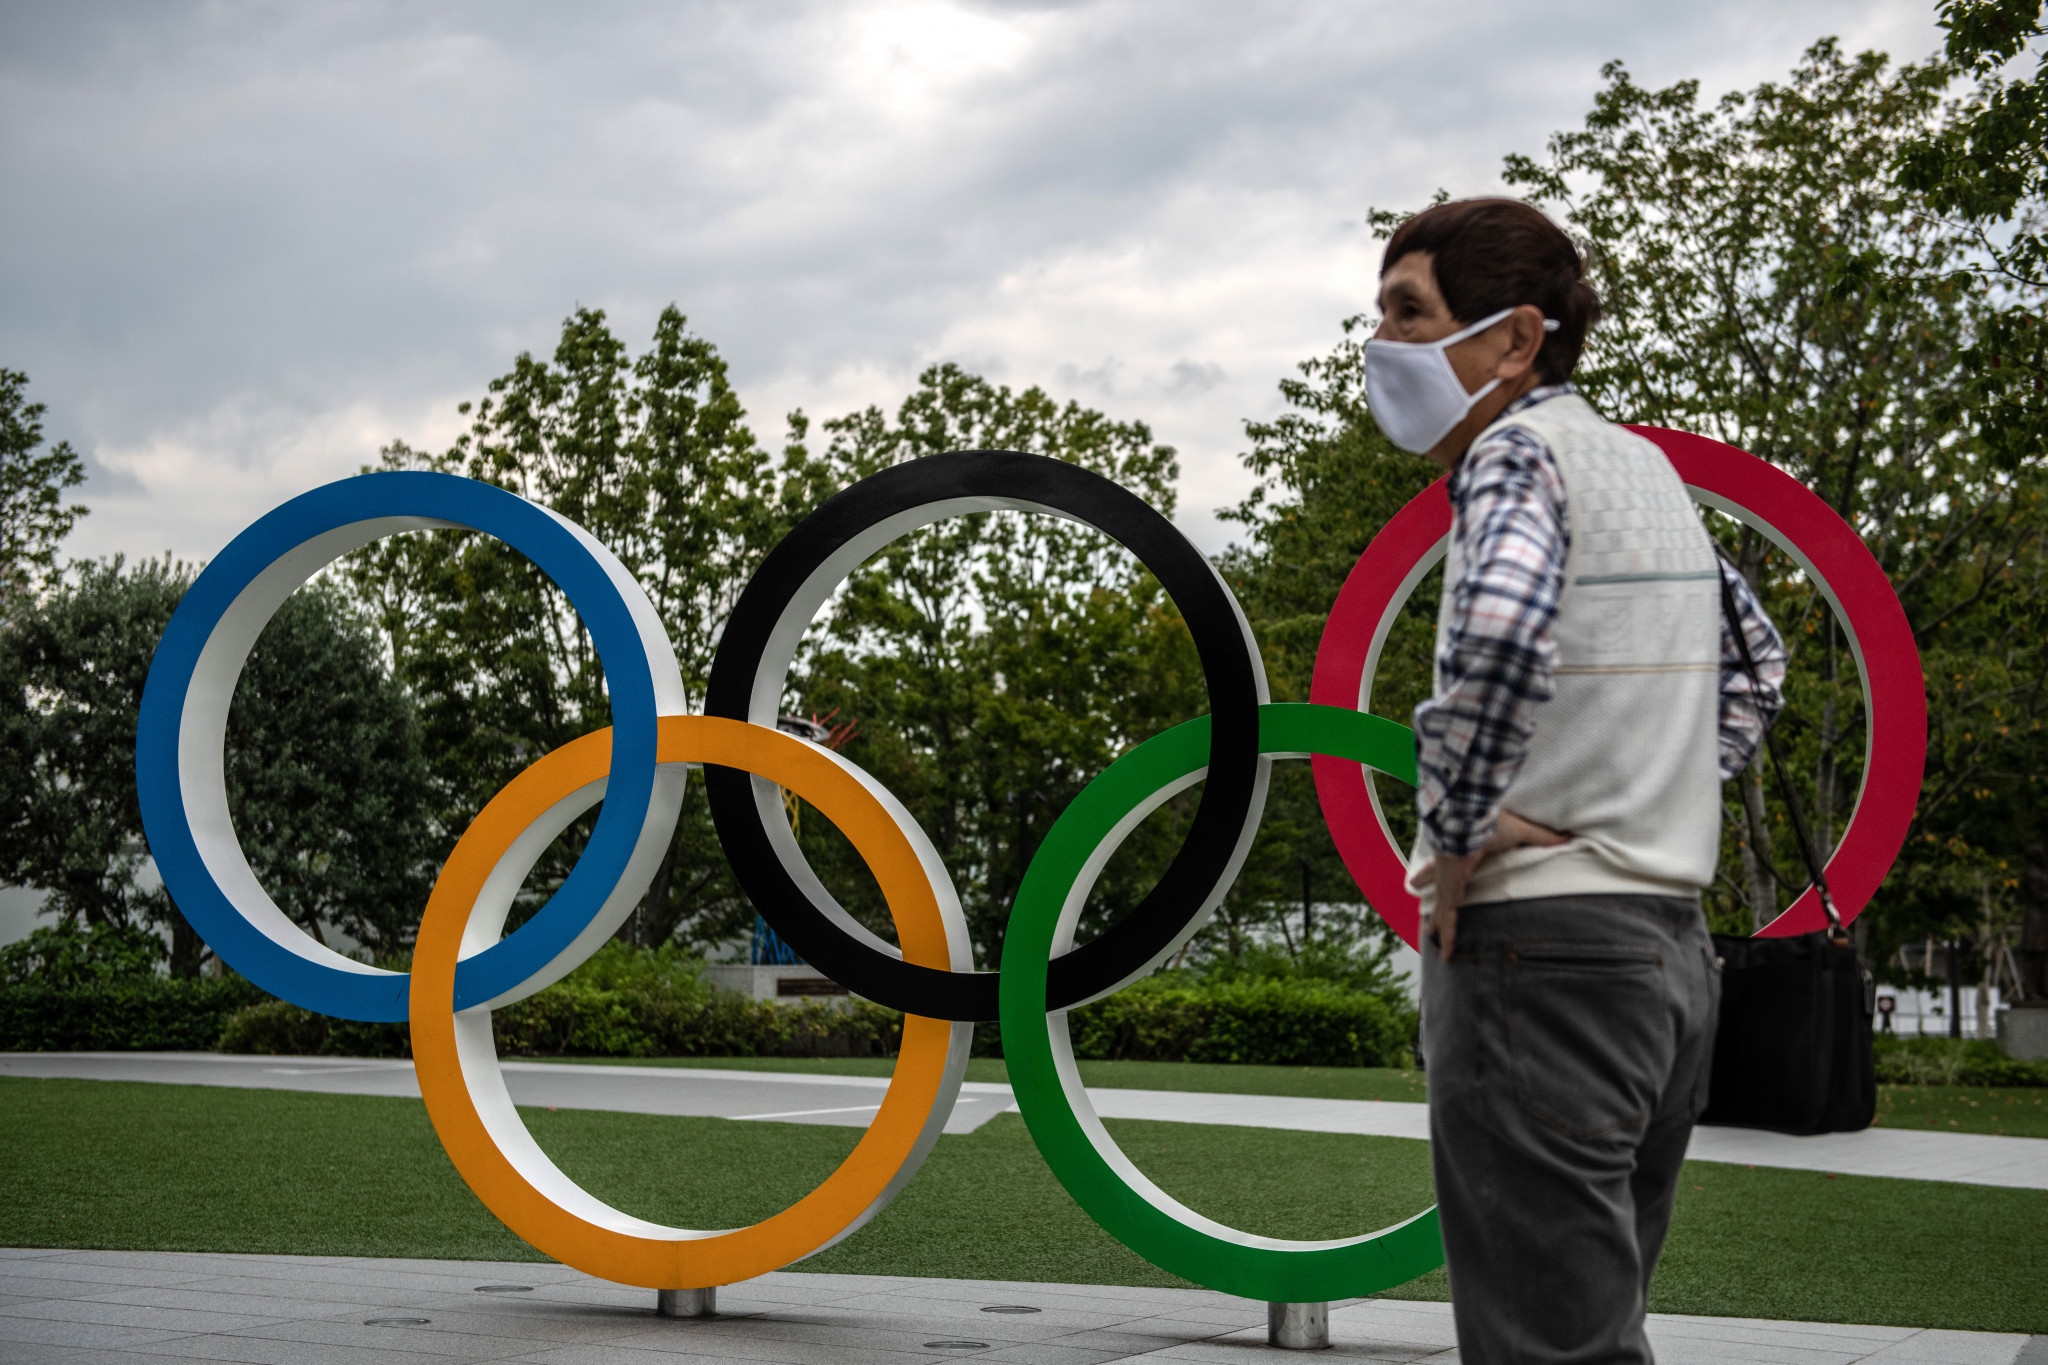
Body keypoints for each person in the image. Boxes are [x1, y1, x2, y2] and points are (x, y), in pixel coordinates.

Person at [1361, 198, 1786, 1364]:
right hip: (1665, 959)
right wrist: (1644, 787)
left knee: (1544, 1343)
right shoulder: (1640, 468)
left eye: (1407, 311)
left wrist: (1457, 837)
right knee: (1591, 1327)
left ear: (1513, 340)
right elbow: (1756, 665)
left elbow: (1498, 636)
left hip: (1536, 956)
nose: (1379, 342)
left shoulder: (1512, 457)